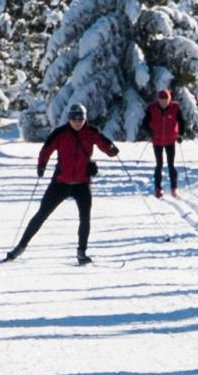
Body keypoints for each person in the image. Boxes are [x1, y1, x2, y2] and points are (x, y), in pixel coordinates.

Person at [6, 104, 118, 264]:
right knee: (41, 214)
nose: (77, 122)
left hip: (82, 183)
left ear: (85, 118)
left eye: (80, 118)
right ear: (69, 118)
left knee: (85, 218)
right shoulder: (60, 133)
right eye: (74, 118)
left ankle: (81, 253)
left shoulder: (92, 132)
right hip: (60, 182)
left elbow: (106, 145)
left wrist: (112, 150)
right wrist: (41, 165)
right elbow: (46, 149)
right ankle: (20, 247)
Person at [146, 87, 182, 197]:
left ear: (169, 99)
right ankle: (158, 188)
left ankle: (174, 188)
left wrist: (180, 134)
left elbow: (181, 121)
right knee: (159, 164)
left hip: (170, 140)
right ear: (158, 100)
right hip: (157, 141)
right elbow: (145, 123)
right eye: (161, 99)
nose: (163, 102)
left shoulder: (175, 107)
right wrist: (150, 132)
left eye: (165, 99)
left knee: (171, 164)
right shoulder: (152, 108)